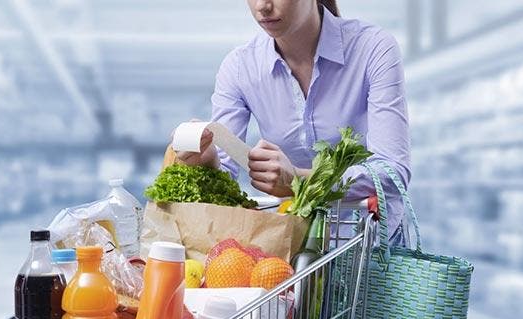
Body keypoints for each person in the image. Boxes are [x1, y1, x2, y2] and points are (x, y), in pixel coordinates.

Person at [176, 0, 410, 239]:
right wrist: (207, 162)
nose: (262, 6)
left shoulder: (372, 49)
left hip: (371, 250)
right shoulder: (239, 68)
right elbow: (224, 172)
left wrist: (299, 179)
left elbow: (392, 173)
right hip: (294, 249)